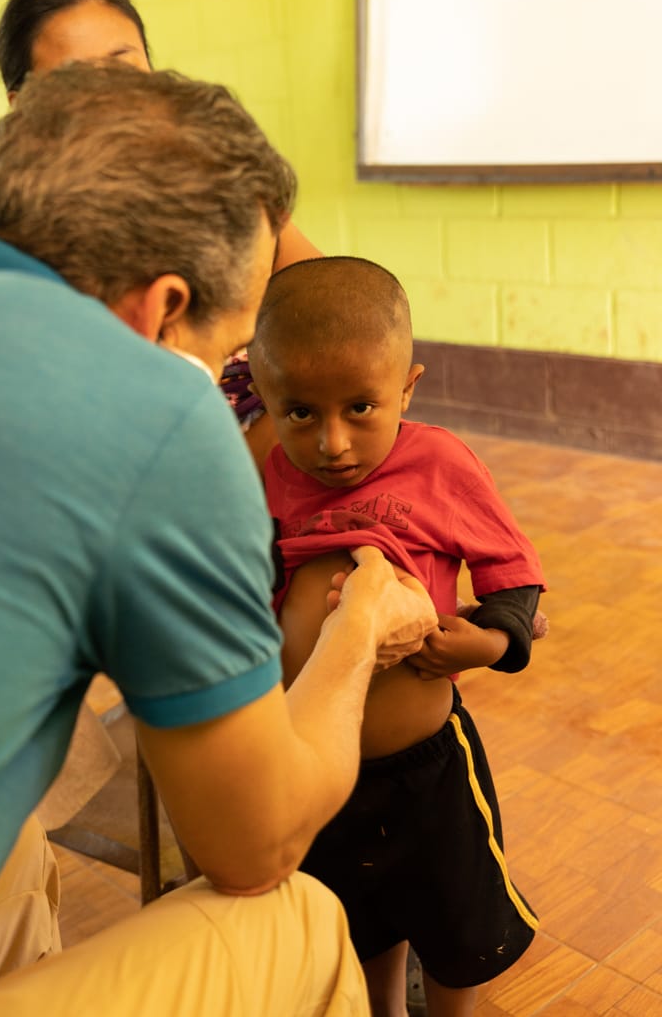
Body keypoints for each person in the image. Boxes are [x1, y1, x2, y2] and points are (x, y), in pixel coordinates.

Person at [0, 64, 439, 1017]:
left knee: (7, 852)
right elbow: (250, 845)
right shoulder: (160, 403)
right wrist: (361, 623)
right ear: (162, 309)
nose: (221, 381)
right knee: (293, 918)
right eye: (231, 352)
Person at [247, 256, 547, 1017]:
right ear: (263, 392)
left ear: (407, 387)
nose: (332, 443)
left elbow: (513, 575)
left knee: (454, 922)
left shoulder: (439, 463)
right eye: (301, 412)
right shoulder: (271, 474)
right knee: (359, 918)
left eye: (360, 407)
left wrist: (483, 644)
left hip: (429, 769)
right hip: (321, 761)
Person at [0, 0, 321, 469]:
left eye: (123, 66)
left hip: (285, 451)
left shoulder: (220, 178)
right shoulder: (25, 244)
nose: (115, 97)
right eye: (76, 79)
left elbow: (330, 308)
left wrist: (284, 437)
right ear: (22, 108)